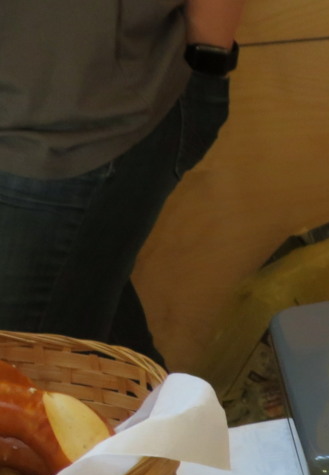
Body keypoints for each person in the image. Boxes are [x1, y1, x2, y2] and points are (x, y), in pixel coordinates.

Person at [0, 0, 245, 369]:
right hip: (60, 116)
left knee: (31, 376)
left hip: (76, 123)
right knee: (93, 353)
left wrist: (208, 62)